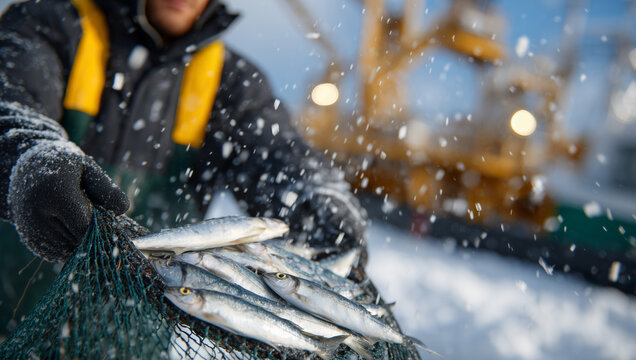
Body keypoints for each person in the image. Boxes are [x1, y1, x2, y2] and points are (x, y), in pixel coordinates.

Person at [0, 0, 367, 331]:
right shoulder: (48, 22)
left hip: (132, 334)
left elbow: (281, 159)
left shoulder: (234, 83)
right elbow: (10, 104)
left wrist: (318, 204)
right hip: (11, 311)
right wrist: (31, 157)